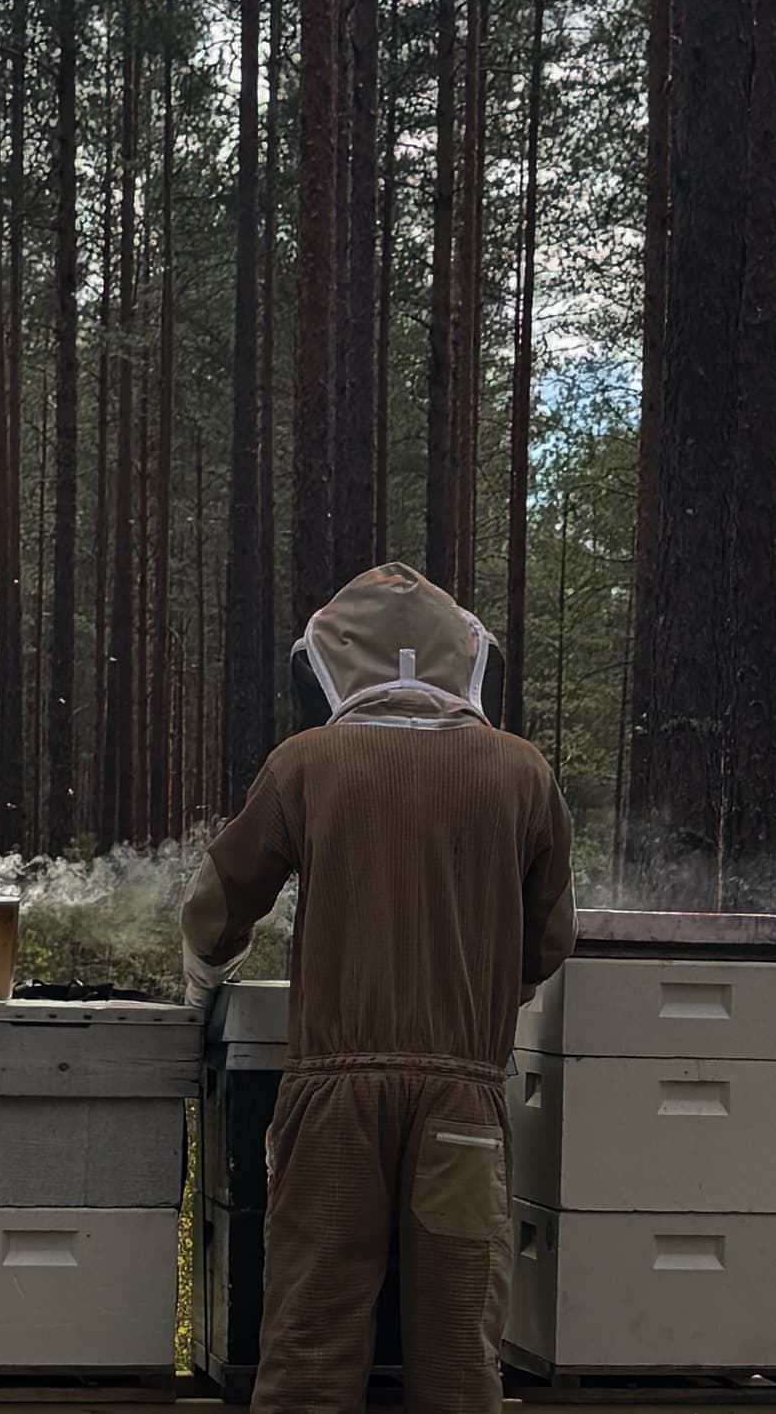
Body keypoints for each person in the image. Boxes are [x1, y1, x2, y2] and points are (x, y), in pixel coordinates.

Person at [181, 562, 576, 1414]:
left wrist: (205, 979)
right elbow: (550, 937)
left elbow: (214, 911)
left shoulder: (306, 763)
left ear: (331, 661)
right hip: (464, 1105)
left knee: (309, 1358)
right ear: (464, 657)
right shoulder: (522, 773)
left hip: (331, 1106)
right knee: (458, 1365)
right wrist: (471, 1000)